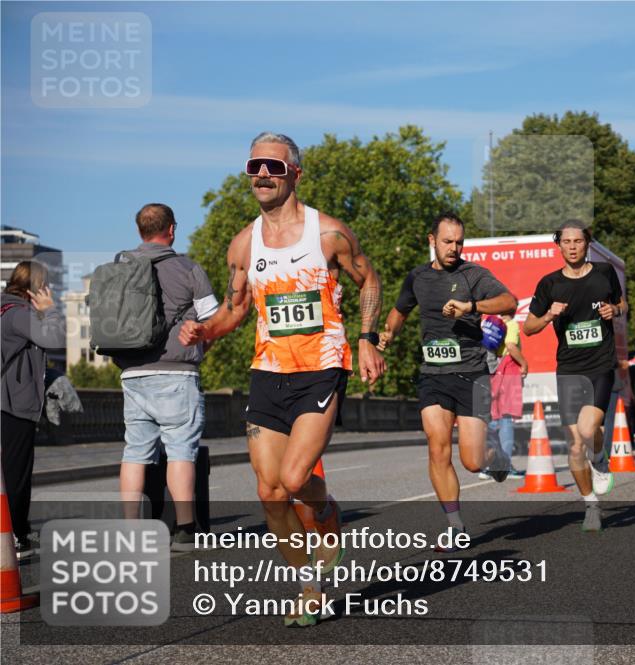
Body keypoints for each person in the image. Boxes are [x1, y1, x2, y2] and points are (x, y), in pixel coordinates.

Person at [179, 132, 386, 627]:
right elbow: (234, 310)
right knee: (270, 493)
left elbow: (369, 280)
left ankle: (326, 511)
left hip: (321, 369)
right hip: (268, 372)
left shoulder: (328, 234)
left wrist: (367, 339)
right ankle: (310, 587)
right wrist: (204, 331)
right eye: (255, 167)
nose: (263, 175)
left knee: (295, 480)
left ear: (295, 173)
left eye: (273, 167)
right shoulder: (243, 244)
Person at [378, 213, 515, 547]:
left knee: (472, 462)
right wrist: (388, 334)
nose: (454, 248)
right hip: (433, 374)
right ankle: (455, 526)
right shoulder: (418, 277)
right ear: (432, 241)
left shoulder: (473, 275)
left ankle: (494, 454)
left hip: (472, 374)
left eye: (459, 242)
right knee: (437, 447)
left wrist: (471, 306)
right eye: (447, 242)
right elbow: (400, 311)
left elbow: (509, 302)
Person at [112, 204, 220, 552]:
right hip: (176, 372)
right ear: (171, 229)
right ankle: (185, 530)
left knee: (135, 452)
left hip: (132, 373)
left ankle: (131, 530)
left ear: (139, 231)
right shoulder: (188, 268)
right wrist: (200, 349)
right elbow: (214, 321)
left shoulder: (120, 267)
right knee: (180, 451)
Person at [523, 221, 627, 532]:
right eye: (566, 242)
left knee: (587, 429)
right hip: (568, 369)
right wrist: (548, 315)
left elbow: (623, 303)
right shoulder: (549, 284)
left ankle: (600, 458)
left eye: (577, 241)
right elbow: (528, 328)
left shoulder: (604, 273)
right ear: (559, 245)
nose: (572, 247)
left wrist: (614, 311)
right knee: (574, 446)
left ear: (587, 244)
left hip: (600, 365)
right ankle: (590, 505)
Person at [1, 260, 65, 558]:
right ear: (36, 287)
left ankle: (17, 530)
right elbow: (54, 338)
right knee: (16, 472)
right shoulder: (18, 313)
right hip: (13, 403)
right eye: (45, 285)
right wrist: (51, 310)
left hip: (7, 400)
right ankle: (17, 536)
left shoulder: (4, 309)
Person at [480, 313, 528, 480]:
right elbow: (511, 345)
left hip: (492, 371)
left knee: (493, 420)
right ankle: (504, 465)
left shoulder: (487, 322)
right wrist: (524, 364)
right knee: (506, 419)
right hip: (507, 370)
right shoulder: (512, 324)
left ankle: (488, 464)